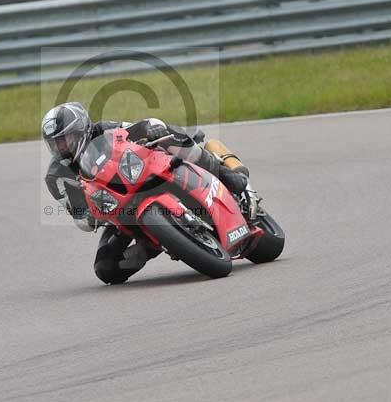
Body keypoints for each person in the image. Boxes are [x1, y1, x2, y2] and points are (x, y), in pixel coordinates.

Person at [42, 102, 253, 285]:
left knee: (163, 132)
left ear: (80, 129)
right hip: (117, 206)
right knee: (105, 268)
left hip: (140, 173)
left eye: (64, 139)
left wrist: (153, 128)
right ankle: (153, 244)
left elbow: (137, 128)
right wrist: (89, 216)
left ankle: (224, 174)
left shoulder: (103, 129)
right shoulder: (56, 176)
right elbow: (76, 213)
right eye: (55, 143)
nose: (60, 147)